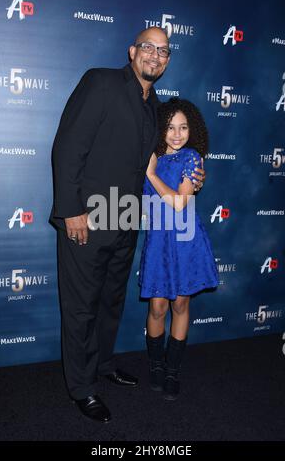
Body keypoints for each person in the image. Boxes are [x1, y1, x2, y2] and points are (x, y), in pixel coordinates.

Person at [50, 28, 206, 423]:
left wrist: (194, 175)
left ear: (168, 60)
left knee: (110, 302)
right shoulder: (100, 82)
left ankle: (102, 365)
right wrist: (71, 210)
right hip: (88, 214)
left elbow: (165, 157)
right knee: (82, 306)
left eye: (164, 51)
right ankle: (82, 389)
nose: (155, 56)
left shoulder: (155, 106)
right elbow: (68, 148)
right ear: (133, 51)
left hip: (125, 217)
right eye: (148, 48)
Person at [139, 97, 218, 401]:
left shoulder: (192, 158)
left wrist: (151, 175)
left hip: (186, 240)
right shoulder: (151, 156)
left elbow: (180, 201)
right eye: (171, 127)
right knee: (157, 306)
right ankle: (156, 365)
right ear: (161, 128)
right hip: (159, 239)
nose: (176, 133)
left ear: (192, 129)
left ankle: (173, 370)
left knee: (180, 305)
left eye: (183, 127)